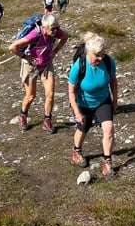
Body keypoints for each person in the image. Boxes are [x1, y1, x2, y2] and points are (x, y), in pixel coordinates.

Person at [68, 32, 118, 179]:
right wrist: (77, 113)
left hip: (103, 100)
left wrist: (115, 100)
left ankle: (107, 161)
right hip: (84, 102)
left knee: (109, 128)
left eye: (102, 54)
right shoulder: (79, 66)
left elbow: (113, 81)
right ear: (88, 53)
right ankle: (77, 151)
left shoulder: (108, 62)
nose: (100, 58)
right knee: (83, 127)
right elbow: (71, 90)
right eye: (97, 55)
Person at [8, 12, 68, 133]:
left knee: (50, 94)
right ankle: (23, 115)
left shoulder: (56, 32)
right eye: (53, 28)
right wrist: (26, 57)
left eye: (57, 27)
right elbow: (12, 47)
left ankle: (47, 121)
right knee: (31, 96)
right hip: (30, 67)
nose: (56, 31)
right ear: (44, 27)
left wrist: (55, 51)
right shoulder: (35, 34)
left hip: (46, 65)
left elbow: (66, 36)